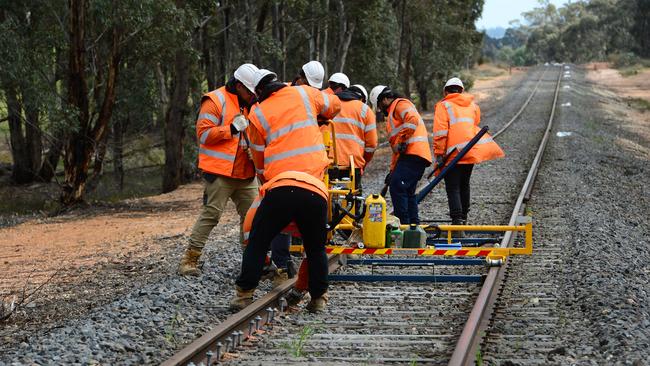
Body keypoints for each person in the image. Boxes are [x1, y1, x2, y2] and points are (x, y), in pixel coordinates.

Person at [231, 69, 341, 313]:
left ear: (258, 91)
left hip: (280, 186)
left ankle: (243, 295)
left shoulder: (256, 113)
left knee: (258, 242)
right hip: (314, 188)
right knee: (315, 248)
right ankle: (318, 299)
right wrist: (320, 117)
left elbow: (259, 161)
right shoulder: (304, 93)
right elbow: (334, 105)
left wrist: (266, 184)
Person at [178, 64, 292, 282]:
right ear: (238, 86)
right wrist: (229, 129)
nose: (253, 95)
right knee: (211, 215)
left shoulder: (254, 103)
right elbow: (203, 135)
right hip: (220, 173)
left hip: (246, 173)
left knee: (253, 219)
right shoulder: (215, 100)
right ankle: (189, 260)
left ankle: (255, 262)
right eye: (250, 91)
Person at [432, 77, 504, 236]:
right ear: (462, 90)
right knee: (464, 184)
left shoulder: (443, 106)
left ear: (445, 91)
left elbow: (440, 132)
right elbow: (475, 121)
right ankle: (463, 220)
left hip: (453, 153)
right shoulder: (473, 106)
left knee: (453, 187)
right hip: (469, 150)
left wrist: (439, 154)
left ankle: (457, 224)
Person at [370, 85, 432, 225]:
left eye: (380, 106)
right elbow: (396, 150)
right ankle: (413, 228)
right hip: (410, 156)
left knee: (398, 187)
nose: (381, 110)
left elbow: (412, 119)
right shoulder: (393, 115)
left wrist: (403, 139)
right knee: (407, 191)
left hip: (414, 154)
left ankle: (403, 225)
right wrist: (392, 171)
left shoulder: (400, 104)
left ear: (385, 99)